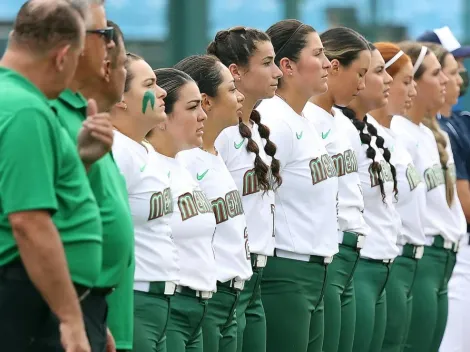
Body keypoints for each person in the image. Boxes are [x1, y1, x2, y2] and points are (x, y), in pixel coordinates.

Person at [0, 1, 103, 351]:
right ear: (62, 56)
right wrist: (72, 319)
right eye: (75, 58)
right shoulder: (27, 111)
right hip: (27, 296)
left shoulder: (12, 99)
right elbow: (28, 221)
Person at [32, 2, 133, 350]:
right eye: (103, 34)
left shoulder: (83, 117)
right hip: (53, 309)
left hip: (87, 305)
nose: (110, 47)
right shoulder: (40, 112)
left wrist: (91, 316)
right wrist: (72, 315)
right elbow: (32, 220)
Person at [255, 19, 337, 352]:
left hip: (314, 269)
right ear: (286, 65)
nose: (327, 63)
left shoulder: (304, 120)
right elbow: (259, 199)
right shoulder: (274, 120)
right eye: (317, 54)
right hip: (287, 270)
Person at [207, 26, 282, 352]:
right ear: (235, 71)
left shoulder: (256, 128)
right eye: (267, 62)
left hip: (256, 277)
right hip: (225, 277)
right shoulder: (219, 131)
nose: (277, 72)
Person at [175, 55, 250, 352]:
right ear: (206, 101)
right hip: (211, 295)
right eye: (231, 89)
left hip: (234, 295)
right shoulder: (187, 160)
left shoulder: (214, 152)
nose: (240, 96)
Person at [304, 26, 371, 352]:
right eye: (358, 73)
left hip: (352, 251)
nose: (362, 84)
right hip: (327, 251)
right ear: (334, 67)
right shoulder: (305, 120)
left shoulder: (344, 124)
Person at [334, 43, 400, 352]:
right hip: (357, 264)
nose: (387, 79)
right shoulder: (335, 129)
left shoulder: (373, 132)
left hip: (383, 266)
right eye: (377, 71)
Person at [391, 42, 457, 352]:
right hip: (419, 255)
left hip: (442, 260)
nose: (445, 80)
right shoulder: (398, 133)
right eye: (436, 73)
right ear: (413, 82)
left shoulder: (430, 134)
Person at [146, 66, 215, 352]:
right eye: (192, 107)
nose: (203, 116)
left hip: (199, 307)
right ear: (163, 117)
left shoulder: (183, 165)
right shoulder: (146, 167)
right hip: (169, 305)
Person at [110, 53, 175, 352]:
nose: (162, 92)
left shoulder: (142, 149)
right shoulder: (114, 149)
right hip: (133, 298)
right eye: (149, 85)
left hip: (161, 301)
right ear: (121, 99)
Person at [368, 42, 426, 352]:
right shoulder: (369, 135)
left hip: (406, 262)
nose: (412, 91)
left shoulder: (395, 138)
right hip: (386, 259)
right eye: (406, 81)